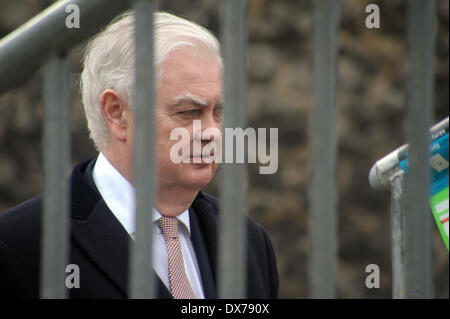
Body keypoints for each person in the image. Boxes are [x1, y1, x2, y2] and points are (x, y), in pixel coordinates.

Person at [0, 11, 278, 299]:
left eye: (218, 112)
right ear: (116, 113)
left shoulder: (249, 242)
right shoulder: (21, 247)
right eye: (189, 112)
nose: (213, 132)